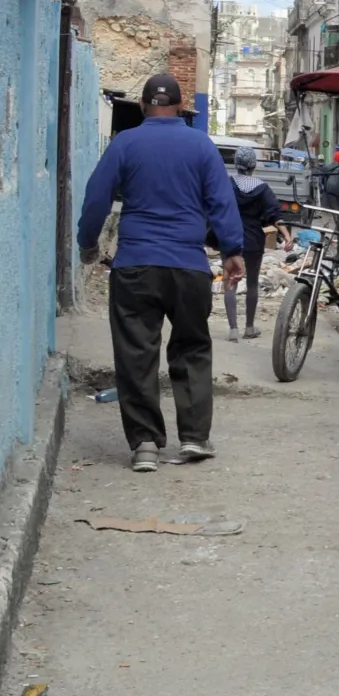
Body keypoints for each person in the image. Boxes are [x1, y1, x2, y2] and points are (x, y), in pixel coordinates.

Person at [78, 73, 246, 472]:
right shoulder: (201, 145)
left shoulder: (126, 143)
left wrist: (88, 244)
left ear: (142, 106)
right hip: (189, 267)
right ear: (181, 105)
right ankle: (193, 437)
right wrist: (232, 251)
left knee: (137, 352)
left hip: (136, 264)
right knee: (191, 347)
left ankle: (146, 445)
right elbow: (222, 202)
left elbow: (97, 196)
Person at [223, 146, 290, 342]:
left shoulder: (227, 184)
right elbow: (274, 214)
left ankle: (233, 329)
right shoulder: (262, 188)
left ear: (236, 164)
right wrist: (286, 234)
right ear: (253, 165)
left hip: (230, 238)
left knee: (230, 282)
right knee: (252, 283)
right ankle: (249, 327)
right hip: (253, 241)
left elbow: (215, 208)